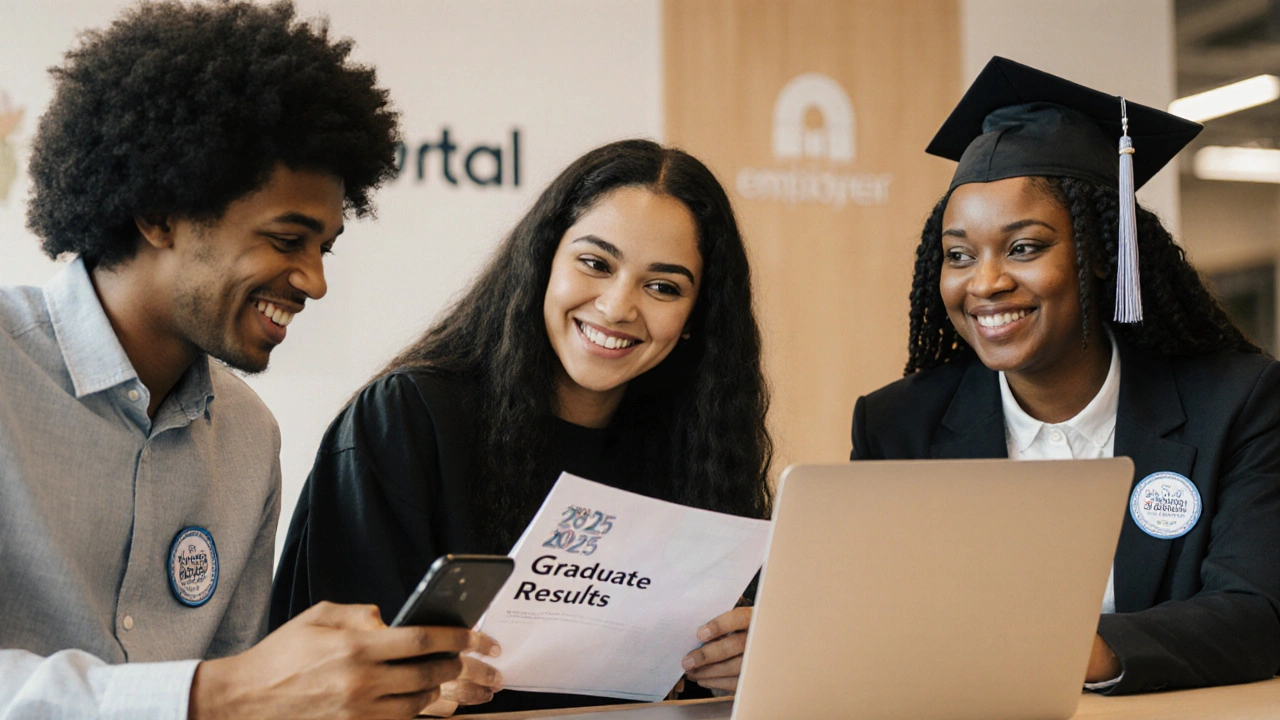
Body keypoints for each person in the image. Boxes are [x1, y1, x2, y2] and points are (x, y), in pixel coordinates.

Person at [0, 2, 499, 718]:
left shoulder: (245, 436)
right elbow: (231, 695)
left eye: (323, 248)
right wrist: (216, 693)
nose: (315, 282)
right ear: (160, 212)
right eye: (286, 238)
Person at [271, 138, 773, 714]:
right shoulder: (405, 418)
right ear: (543, 261)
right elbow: (317, 673)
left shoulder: (703, 447)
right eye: (595, 263)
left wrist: (747, 658)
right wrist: (410, 689)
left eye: (662, 287)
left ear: (695, 319)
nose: (616, 307)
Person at [851, 56, 1280, 695]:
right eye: (959, 256)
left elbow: (1257, 613)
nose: (986, 283)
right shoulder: (897, 427)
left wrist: (1081, 652)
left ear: (1102, 255)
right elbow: (866, 621)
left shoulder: (1238, 402)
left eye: (1024, 247)